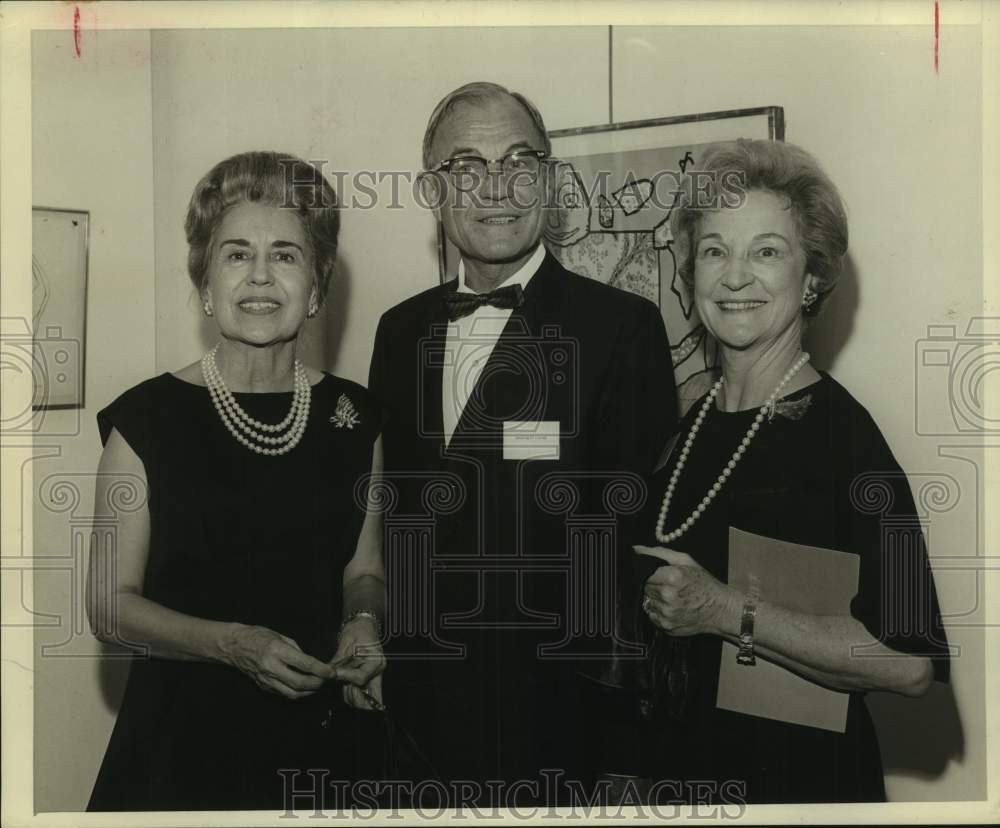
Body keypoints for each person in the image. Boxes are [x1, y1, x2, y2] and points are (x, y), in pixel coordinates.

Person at [613, 138, 950, 804]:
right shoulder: (682, 428)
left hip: (801, 789)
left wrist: (726, 611)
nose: (735, 277)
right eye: (715, 251)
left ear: (814, 278)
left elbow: (911, 663)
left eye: (766, 251)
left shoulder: (844, 439)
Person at [368, 81, 677, 804]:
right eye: (468, 166)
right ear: (431, 190)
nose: (497, 188)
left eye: (519, 162)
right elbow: (393, 518)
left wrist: (627, 751)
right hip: (415, 722)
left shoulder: (620, 330)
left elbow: (637, 549)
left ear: (548, 178)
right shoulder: (398, 331)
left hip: (561, 725)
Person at [86, 151, 387, 811]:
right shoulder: (145, 418)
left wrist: (363, 624)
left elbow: (363, 568)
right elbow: (108, 606)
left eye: (285, 255)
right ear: (204, 283)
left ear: (315, 287)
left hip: (320, 749)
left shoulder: (356, 417)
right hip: (179, 750)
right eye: (234, 254)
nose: (259, 277)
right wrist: (231, 644)